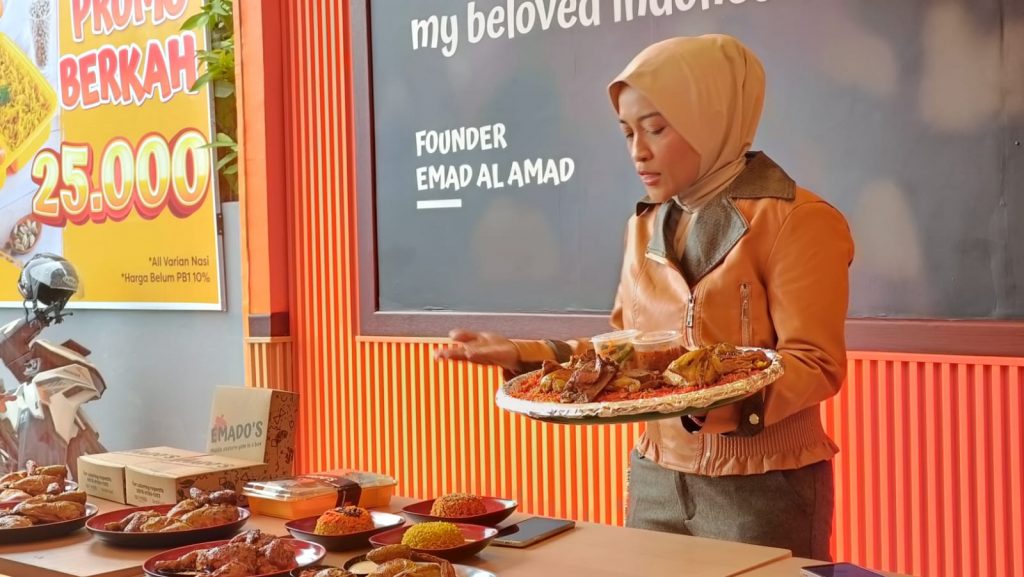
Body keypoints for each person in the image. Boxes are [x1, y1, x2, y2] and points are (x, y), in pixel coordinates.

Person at [435, 34, 854, 560]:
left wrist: (712, 406)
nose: (638, 150)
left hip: (763, 484)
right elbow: (626, 349)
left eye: (656, 128)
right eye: (628, 132)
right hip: (655, 476)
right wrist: (523, 355)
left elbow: (815, 362)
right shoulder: (645, 225)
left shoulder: (798, 220)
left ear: (711, 119)